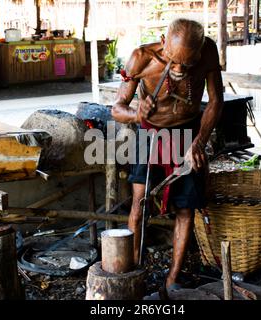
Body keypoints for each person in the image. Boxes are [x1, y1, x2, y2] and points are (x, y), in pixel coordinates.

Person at [111, 18, 224, 290]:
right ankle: (132, 272)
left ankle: (172, 280)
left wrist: (199, 142)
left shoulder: (208, 52)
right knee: (139, 205)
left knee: (185, 209)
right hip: (150, 134)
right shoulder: (140, 58)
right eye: (172, 61)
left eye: (186, 64)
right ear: (163, 42)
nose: (178, 69)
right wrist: (137, 114)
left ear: (199, 52)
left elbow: (216, 101)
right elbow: (117, 108)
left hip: (188, 136)